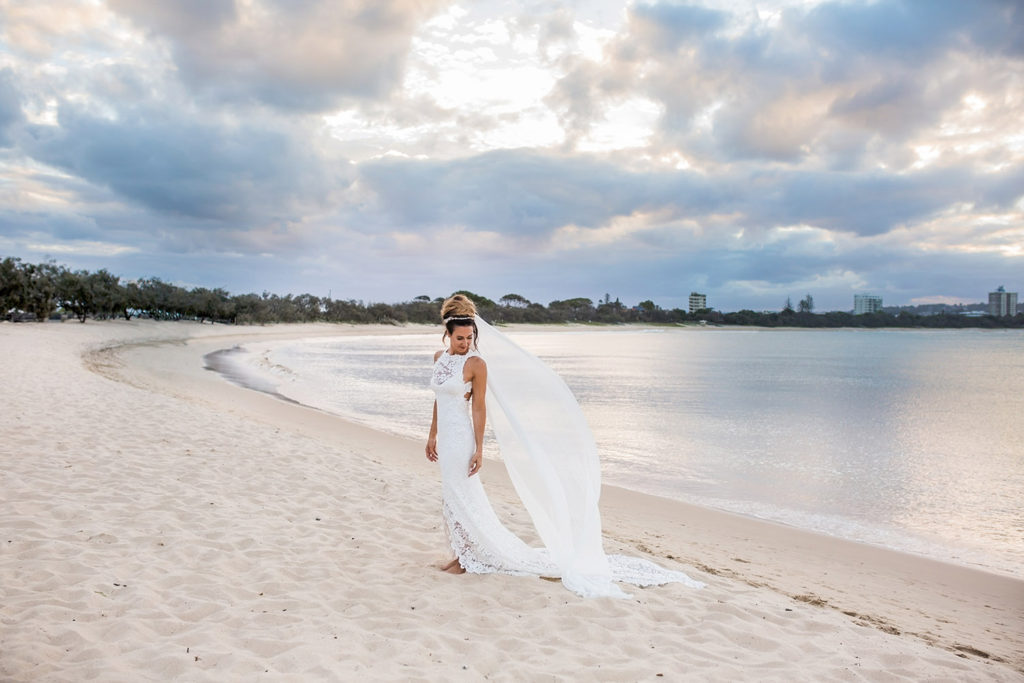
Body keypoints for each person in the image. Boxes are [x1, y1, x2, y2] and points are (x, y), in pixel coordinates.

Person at [425, 294, 704, 597]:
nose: (465, 343)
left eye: (470, 337)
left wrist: (479, 448)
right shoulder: (440, 359)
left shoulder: (476, 364)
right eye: (460, 338)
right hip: (446, 441)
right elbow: (440, 401)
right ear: (448, 335)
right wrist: (432, 435)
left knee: (465, 496)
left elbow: (479, 408)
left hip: (463, 441)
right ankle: (460, 554)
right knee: (452, 496)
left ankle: (467, 559)